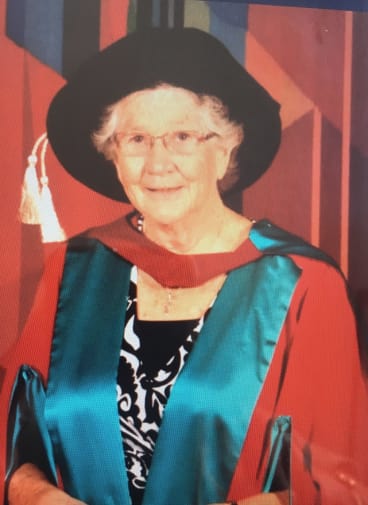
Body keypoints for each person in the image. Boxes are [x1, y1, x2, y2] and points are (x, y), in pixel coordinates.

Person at [1, 27, 368, 505]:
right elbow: (13, 451)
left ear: (226, 150)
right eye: (135, 138)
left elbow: (338, 480)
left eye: (182, 136)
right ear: (112, 155)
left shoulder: (302, 283)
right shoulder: (73, 271)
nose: (157, 163)